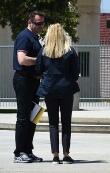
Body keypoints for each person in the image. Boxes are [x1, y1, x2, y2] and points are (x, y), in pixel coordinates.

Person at [35, 23, 80, 165]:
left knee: (53, 123)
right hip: (66, 89)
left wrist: (47, 77)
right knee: (66, 122)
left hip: (49, 89)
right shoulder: (70, 51)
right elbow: (75, 72)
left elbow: (38, 69)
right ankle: (66, 154)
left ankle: (55, 155)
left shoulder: (44, 51)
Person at [12, 10, 45, 164]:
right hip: (23, 80)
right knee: (24, 118)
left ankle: (28, 150)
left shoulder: (34, 37)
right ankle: (18, 153)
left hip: (34, 81)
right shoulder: (24, 37)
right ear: (30, 22)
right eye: (38, 23)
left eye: (43, 23)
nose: (41, 26)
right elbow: (22, 60)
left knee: (34, 117)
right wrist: (41, 60)